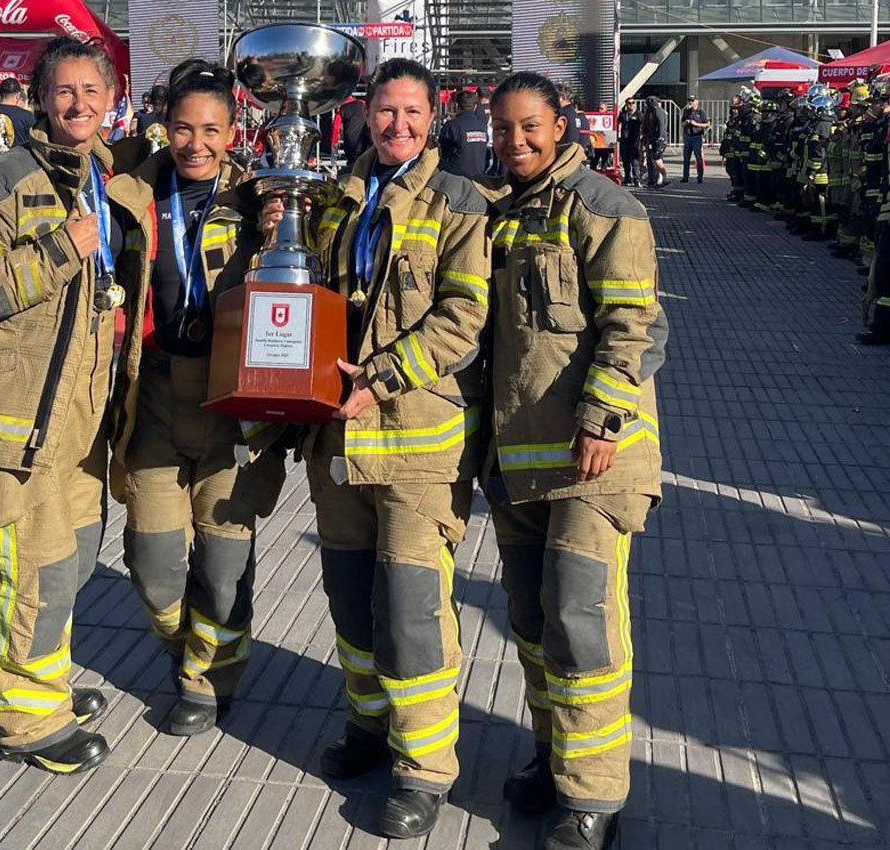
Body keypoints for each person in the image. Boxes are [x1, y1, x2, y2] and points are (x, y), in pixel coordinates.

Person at [270, 57, 489, 839]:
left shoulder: (459, 201)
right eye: (386, 110)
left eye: (412, 112)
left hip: (416, 443)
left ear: (433, 118)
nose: (398, 124)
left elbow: (463, 317)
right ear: (363, 112)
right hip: (336, 438)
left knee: (410, 610)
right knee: (349, 595)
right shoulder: (334, 198)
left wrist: (383, 375)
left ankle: (423, 767)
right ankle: (368, 725)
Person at [0, 36, 141, 775]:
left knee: (70, 559)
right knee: (30, 572)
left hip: (76, 414)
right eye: (64, 91)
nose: (78, 104)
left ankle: (43, 685)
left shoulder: (101, 174)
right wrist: (60, 249)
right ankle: (25, 721)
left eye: (92, 90)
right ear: (40, 98)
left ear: (111, 99)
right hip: (17, 417)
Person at [479, 70, 665, 850]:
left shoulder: (602, 208)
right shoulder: (495, 214)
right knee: (531, 622)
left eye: (529, 126)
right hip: (518, 461)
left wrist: (599, 421)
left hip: (595, 461)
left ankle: (594, 797)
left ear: (559, 126)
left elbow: (633, 325)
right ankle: (554, 757)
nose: (514, 141)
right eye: (502, 128)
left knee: (581, 622)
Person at [105, 58, 287, 739]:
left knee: (222, 560)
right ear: (164, 126)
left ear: (233, 132)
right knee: (153, 564)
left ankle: (208, 682)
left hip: (228, 401)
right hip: (152, 393)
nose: (196, 143)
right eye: (183, 128)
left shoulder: (258, 199)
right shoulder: (132, 192)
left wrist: (282, 232)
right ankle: (186, 648)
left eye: (212, 130)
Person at [438, 88, 489, 177]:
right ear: (475, 107)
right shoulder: (482, 126)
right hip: (479, 175)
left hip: (455, 176)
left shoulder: (452, 125)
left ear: (456, 105)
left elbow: (441, 152)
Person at [132, 84, 168, 153]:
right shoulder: (141, 115)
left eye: (155, 103)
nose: (152, 106)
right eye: (153, 103)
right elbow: (133, 128)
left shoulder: (170, 115)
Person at [680, 94, 708, 183]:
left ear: (697, 101)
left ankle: (700, 177)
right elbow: (682, 123)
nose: (691, 102)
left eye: (692, 100)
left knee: (698, 157)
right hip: (688, 136)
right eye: (689, 101)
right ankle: (685, 177)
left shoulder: (701, 112)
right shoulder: (686, 111)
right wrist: (686, 122)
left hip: (697, 136)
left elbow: (706, 124)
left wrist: (696, 124)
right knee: (686, 158)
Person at [642, 95, 669, 187]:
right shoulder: (650, 112)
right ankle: (653, 180)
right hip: (651, 138)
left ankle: (664, 177)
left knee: (656, 158)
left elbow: (661, 124)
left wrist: (660, 137)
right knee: (651, 159)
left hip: (658, 139)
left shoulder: (658, 111)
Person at [616, 99, 641, 186]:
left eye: (633, 103)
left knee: (634, 161)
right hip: (624, 140)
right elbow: (617, 123)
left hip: (634, 140)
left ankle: (636, 179)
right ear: (626, 104)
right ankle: (627, 178)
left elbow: (642, 127)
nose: (631, 105)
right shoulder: (623, 114)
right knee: (625, 160)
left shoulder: (639, 114)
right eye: (629, 103)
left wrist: (639, 139)